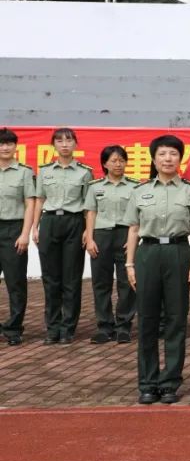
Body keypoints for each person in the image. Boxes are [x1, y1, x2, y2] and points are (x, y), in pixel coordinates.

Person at [123, 134, 190, 405]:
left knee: (176, 318)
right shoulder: (140, 191)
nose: (168, 159)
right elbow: (134, 229)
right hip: (148, 254)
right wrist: (130, 264)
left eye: (173, 154)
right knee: (146, 320)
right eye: (162, 154)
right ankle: (147, 383)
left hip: (179, 253)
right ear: (153, 159)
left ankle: (170, 382)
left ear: (180, 159)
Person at [33, 127, 93, 344]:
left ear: (76, 144)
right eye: (60, 141)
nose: (65, 144)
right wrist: (34, 227)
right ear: (54, 145)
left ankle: (68, 328)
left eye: (69, 140)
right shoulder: (45, 171)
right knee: (50, 278)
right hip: (49, 222)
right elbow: (39, 200)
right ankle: (52, 328)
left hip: (74, 222)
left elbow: (89, 206)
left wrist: (88, 229)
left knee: (71, 277)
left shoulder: (85, 172)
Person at [83, 146, 138, 344]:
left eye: (121, 160)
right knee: (101, 283)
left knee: (127, 282)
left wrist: (134, 239)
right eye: (113, 160)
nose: (118, 164)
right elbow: (91, 212)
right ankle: (105, 326)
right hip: (101, 236)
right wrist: (90, 238)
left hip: (125, 236)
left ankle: (123, 326)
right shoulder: (95, 187)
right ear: (105, 163)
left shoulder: (134, 186)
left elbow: (138, 217)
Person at [0, 128, 36, 346]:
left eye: (9, 144)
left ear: (16, 147)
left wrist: (25, 233)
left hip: (13, 230)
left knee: (16, 283)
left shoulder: (24, 172)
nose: (4, 147)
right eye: (1, 144)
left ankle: (14, 328)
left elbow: (30, 203)